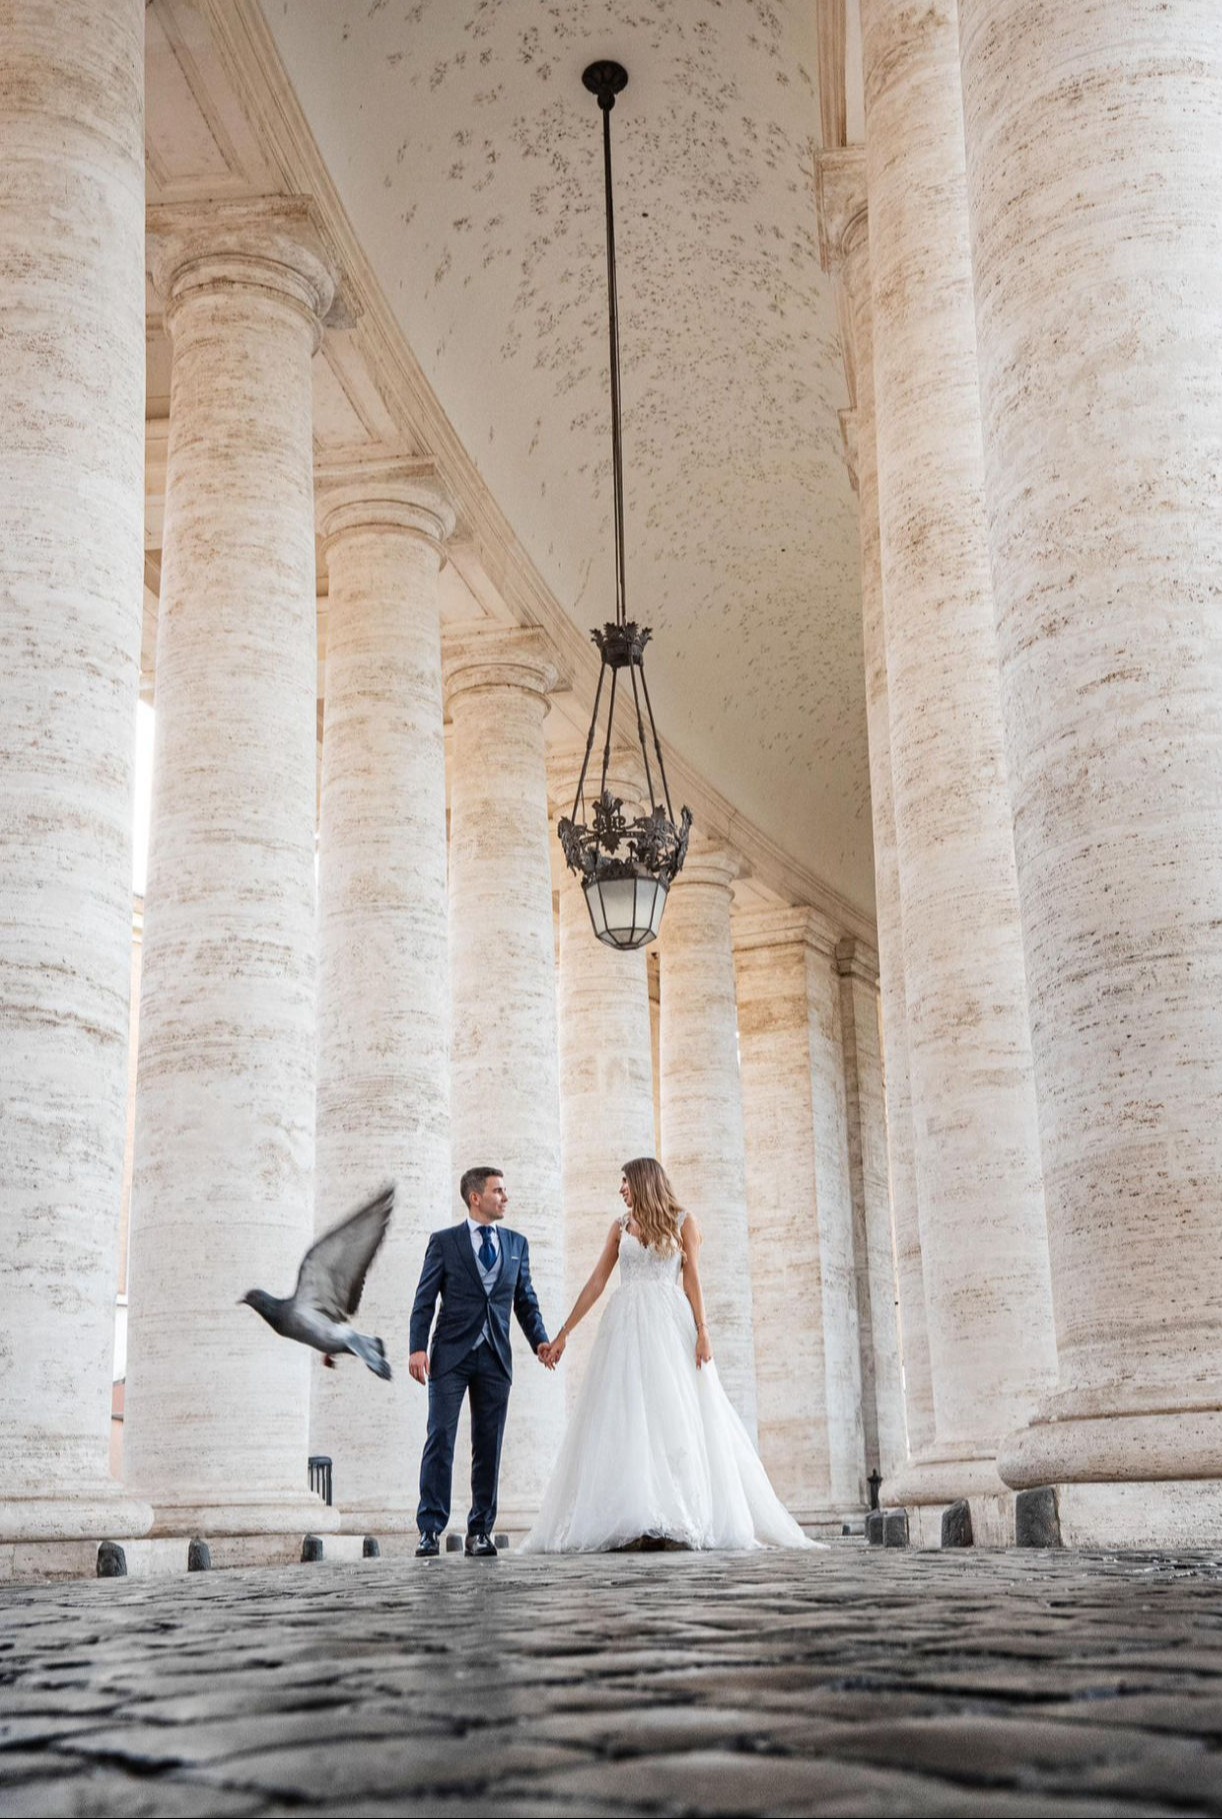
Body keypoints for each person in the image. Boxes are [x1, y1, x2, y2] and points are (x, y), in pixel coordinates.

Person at [521, 1156, 820, 1554]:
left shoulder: (684, 1223)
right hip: (624, 1330)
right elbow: (597, 1281)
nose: (621, 1189)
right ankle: (633, 1517)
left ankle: (675, 1515)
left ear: (644, 1182)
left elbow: (693, 1277)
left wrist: (703, 1332)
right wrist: (563, 1334)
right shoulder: (620, 1226)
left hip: (669, 1327)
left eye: (625, 1181)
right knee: (627, 1420)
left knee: (672, 1416)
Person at [409, 1166, 553, 1558]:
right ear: (476, 1197)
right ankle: (430, 1530)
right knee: (440, 1439)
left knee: (488, 1446)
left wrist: (540, 1341)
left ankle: (480, 1531)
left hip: (495, 1357)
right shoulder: (444, 1242)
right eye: (498, 1191)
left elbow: (525, 1300)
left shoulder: (516, 1244)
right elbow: (424, 1300)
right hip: (450, 1356)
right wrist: (417, 1347)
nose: (505, 1197)